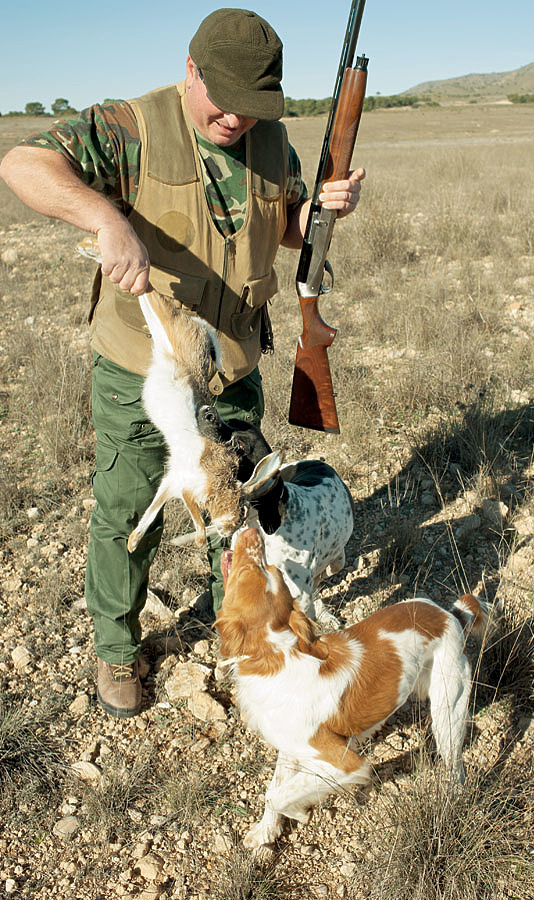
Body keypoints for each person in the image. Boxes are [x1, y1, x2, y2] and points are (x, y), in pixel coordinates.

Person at [0, 8, 365, 719]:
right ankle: (116, 649)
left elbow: (285, 228)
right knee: (131, 510)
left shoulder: (271, 138)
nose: (236, 118)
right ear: (191, 69)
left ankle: (239, 627)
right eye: (222, 100)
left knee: (235, 512)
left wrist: (321, 210)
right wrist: (106, 220)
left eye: (252, 107)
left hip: (231, 367)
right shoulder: (131, 128)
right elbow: (22, 163)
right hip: (149, 373)